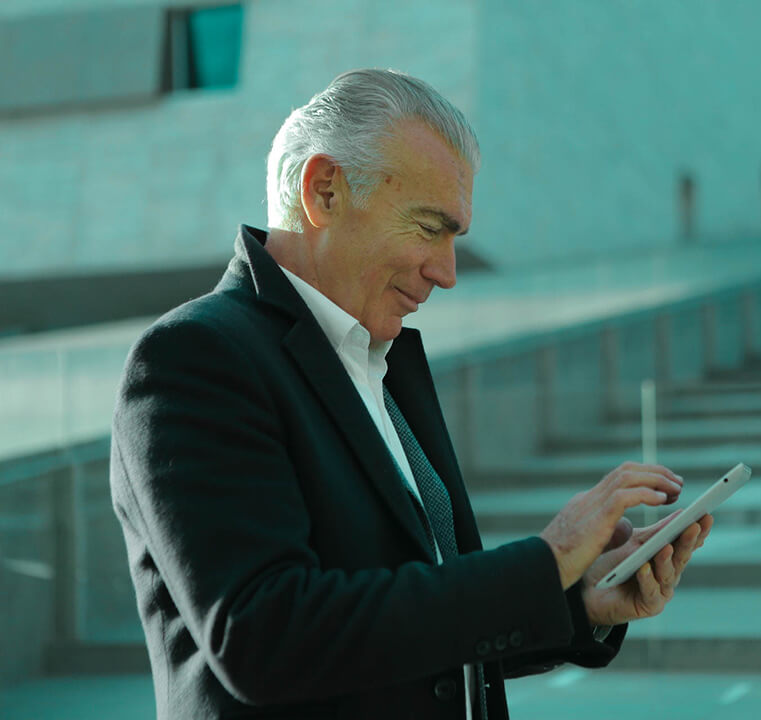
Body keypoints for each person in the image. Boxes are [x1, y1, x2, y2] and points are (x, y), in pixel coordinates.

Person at [110, 68, 714, 720]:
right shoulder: (195, 358)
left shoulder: (383, 366)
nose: (448, 273)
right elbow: (265, 637)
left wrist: (577, 599)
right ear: (325, 191)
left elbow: (419, 634)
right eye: (431, 227)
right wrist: (547, 558)